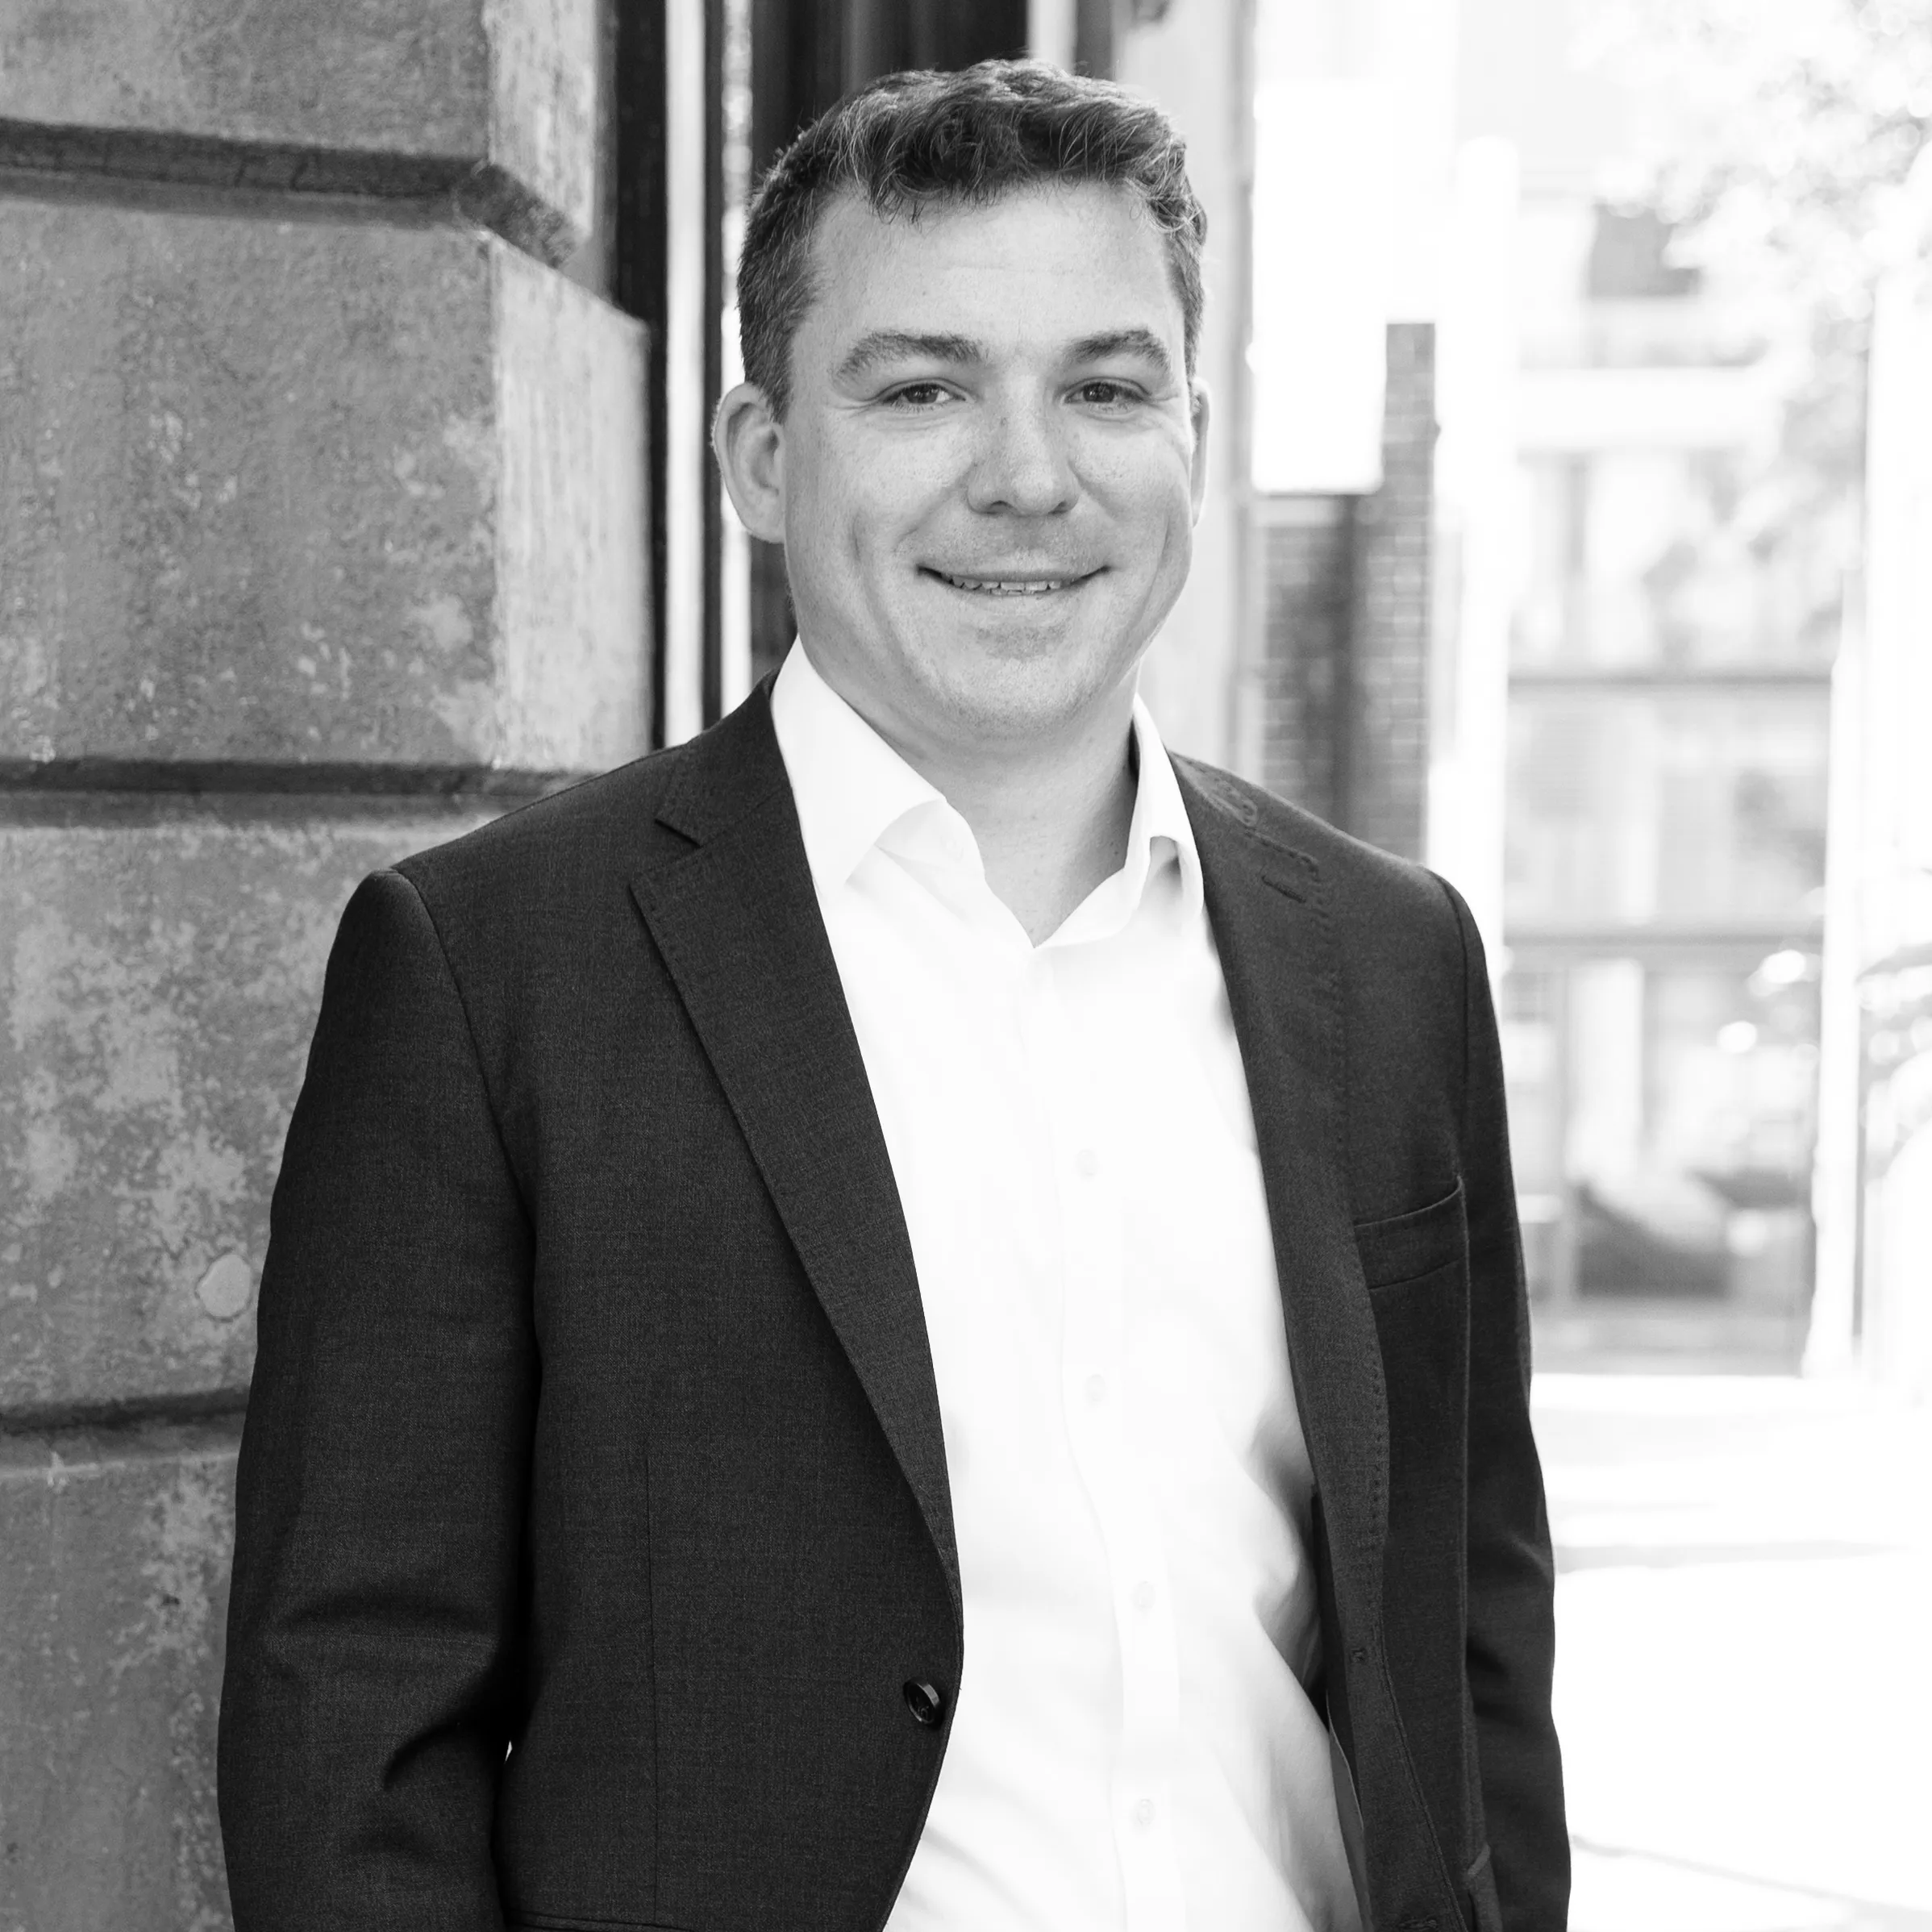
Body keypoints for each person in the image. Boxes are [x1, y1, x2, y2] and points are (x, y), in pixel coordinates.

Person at [219, 59, 1567, 1932]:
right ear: (763, 458)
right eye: (922, 387)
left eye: (1103, 386)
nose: (1027, 475)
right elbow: (345, 1719)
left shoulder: (1392, 958)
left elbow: (1470, 1638)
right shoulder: (489, 970)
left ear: (1191, 421)